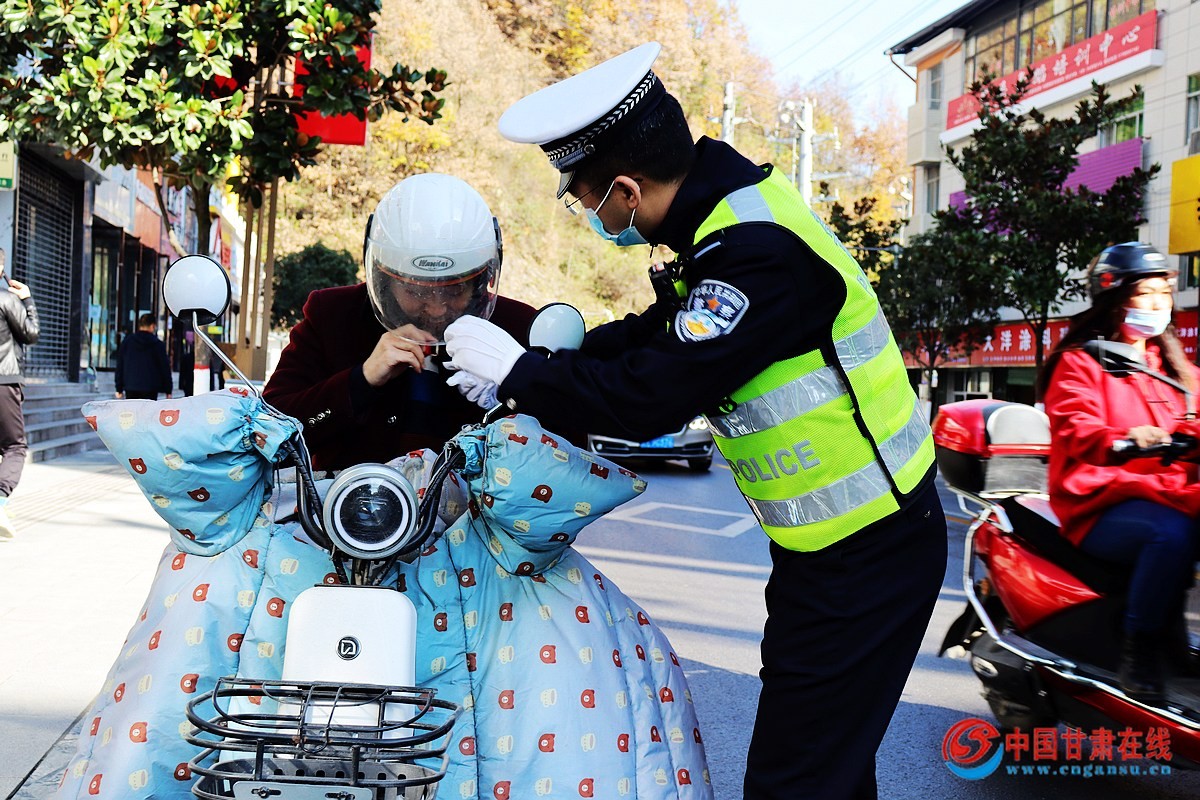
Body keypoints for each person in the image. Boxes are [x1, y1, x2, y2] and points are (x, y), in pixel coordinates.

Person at [443, 42, 946, 800]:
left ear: (625, 189)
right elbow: (656, 335)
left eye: (584, 201)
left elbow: (653, 393)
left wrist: (522, 374)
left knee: (794, 782)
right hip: (828, 553)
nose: (589, 217)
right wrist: (535, 365)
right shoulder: (723, 224)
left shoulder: (755, 253)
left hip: (870, 552)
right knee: (828, 773)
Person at [263, 173, 540, 471]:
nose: (437, 308)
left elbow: (561, 443)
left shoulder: (519, 327)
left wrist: (510, 389)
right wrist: (360, 380)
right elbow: (267, 434)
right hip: (348, 497)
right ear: (384, 278)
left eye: (455, 289)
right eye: (416, 291)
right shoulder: (334, 315)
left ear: (482, 279)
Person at [1039, 242, 1200, 701]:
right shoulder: (1080, 362)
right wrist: (1124, 438)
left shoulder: (1174, 368)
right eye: (1145, 293)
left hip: (1167, 492)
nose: (1158, 304)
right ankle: (1139, 651)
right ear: (1114, 299)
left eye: (1164, 293)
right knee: (1171, 535)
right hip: (1098, 504)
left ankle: (1174, 638)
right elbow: (1077, 427)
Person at [0, 247, 38, 541]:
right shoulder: (6, 299)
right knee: (15, 446)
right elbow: (30, 333)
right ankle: (0, 500)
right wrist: (27, 300)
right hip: (4, 381)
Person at [114, 312, 173, 400]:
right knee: (149, 409)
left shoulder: (127, 342)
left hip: (131, 386)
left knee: (132, 408)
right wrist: (168, 390)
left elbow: (120, 366)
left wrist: (119, 388)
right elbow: (164, 368)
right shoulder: (157, 344)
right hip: (151, 387)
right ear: (152, 326)